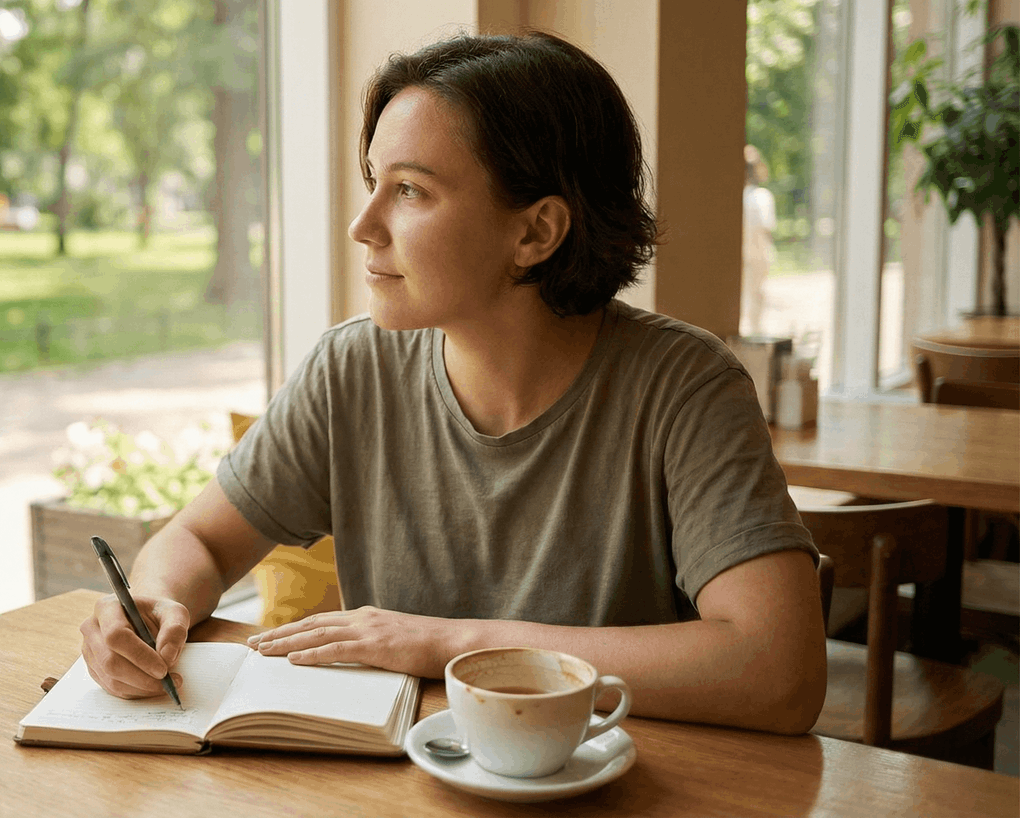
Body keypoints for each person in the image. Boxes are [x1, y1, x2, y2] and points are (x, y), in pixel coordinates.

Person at [79, 31, 826, 735]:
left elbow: (780, 671)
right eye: (375, 181)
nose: (363, 225)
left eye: (409, 191)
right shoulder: (353, 369)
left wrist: (449, 643)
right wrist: (154, 607)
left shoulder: (684, 387)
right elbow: (199, 540)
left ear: (536, 232)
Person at [741, 145, 777, 337]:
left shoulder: (757, 197)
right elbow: (766, 229)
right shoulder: (762, 197)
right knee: (755, 297)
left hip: (751, 254)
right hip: (757, 254)